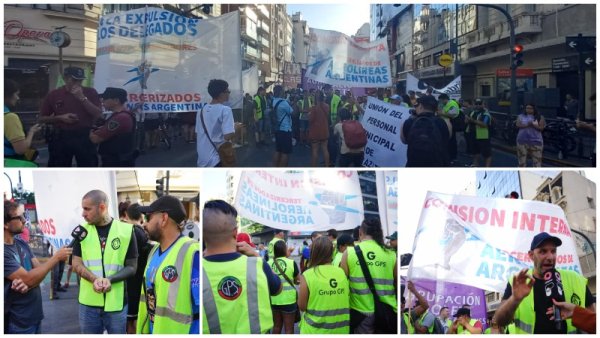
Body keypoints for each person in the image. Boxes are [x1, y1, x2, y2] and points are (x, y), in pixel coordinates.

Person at [202, 200, 282, 334]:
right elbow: (278, 289)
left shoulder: (198, 271)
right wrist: (256, 255)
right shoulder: (257, 264)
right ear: (235, 233)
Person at [493, 232, 594, 334]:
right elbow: (499, 321)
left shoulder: (575, 279)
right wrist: (514, 299)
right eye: (543, 251)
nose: (550, 257)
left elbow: (593, 322)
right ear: (531, 255)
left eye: (553, 251)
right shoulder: (519, 282)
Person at [71, 190, 138, 334]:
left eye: (87, 209)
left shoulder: (126, 231)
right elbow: (76, 264)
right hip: (88, 304)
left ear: (102, 207)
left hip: (116, 304)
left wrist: (110, 280)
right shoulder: (82, 231)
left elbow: (132, 267)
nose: (83, 213)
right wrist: (95, 279)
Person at [4, 200, 72, 334]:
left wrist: (29, 282)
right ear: (5, 224)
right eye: (20, 217)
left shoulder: (20, 242)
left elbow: (38, 273)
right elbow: (32, 277)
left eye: (25, 215)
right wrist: (56, 258)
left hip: (34, 316)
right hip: (18, 321)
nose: (25, 220)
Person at [136, 195, 199, 334]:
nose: (144, 224)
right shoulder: (153, 251)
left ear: (164, 219)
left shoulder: (192, 253)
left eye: (148, 218)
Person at [340, 218, 397, 333]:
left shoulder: (349, 253)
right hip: (387, 311)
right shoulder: (391, 254)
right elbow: (396, 283)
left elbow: (342, 284)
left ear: (360, 232)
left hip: (361, 312)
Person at [39, 66, 102, 167]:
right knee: (59, 166)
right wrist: (60, 117)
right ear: (65, 78)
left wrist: (82, 98)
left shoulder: (90, 92)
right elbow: (42, 118)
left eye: (80, 81)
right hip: (61, 136)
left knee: (88, 165)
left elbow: (98, 113)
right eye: (74, 80)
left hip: (84, 136)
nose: (77, 83)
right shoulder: (54, 94)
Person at [298, 236, 350, 334]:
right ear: (332, 251)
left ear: (313, 252)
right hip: (341, 330)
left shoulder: (308, 275)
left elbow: (302, 306)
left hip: (314, 331)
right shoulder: (341, 272)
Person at [123, 203, 153, 334]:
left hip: (130, 283)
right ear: (141, 216)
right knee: (136, 318)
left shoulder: (129, 232)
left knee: (130, 321)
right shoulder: (143, 233)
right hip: (141, 281)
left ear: (126, 215)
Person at [89, 87, 137, 167]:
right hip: (117, 159)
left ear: (116, 101)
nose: (102, 101)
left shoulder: (120, 118)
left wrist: (89, 130)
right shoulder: (121, 115)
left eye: (105, 99)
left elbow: (96, 139)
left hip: (116, 161)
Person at [401, 95, 450, 167]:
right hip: (436, 164)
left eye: (416, 106)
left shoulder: (410, 122)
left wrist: (407, 121)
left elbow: (404, 140)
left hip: (414, 164)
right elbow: (446, 139)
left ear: (420, 106)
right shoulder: (442, 122)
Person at [196, 79, 235, 167]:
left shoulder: (200, 111)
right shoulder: (225, 110)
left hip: (202, 159)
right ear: (221, 93)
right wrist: (236, 128)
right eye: (227, 91)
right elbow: (228, 135)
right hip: (217, 158)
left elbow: (199, 133)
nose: (229, 93)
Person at [4, 79, 42, 164]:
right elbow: (21, 149)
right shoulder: (9, 118)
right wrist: (31, 132)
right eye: (16, 94)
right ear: (7, 95)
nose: (18, 98)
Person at [270, 241, 299, 334]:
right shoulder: (291, 263)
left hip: (273, 300)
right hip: (289, 300)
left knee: (276, 327)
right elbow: (297, 280)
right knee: (289, 329)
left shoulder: (268, 263)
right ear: (284, 250)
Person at [465, 99, 492, 167]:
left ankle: (487, 168)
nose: (478, 105)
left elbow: (484, 124)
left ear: (483, 104)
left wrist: (472, 120)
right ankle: (475, 165)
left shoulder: (486, 113)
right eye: (476, 104)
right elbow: (466, 121)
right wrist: (467, 120)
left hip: (482, 133)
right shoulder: (472, 112)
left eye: (479, 104)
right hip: (472, 133)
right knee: (475, 152)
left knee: (486, 153)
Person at [272, 85, 294, 167]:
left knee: (278, 150)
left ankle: (275, 168)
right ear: (281, 92)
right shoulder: (284, 103)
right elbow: (292, 112)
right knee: (285, 153)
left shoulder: (273, 101)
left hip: (277, 128)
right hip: (285, 130)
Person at [308, 90, 330, 167]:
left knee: (315, 151)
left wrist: (309, 115)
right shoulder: (327, 106)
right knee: (325, 150)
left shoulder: (313, 108)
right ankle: (327, 167)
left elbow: (311, 120)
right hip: (324, 131)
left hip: (315, 132)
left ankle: (314, 168)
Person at [438, 93, 460, 163]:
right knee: (447, 140)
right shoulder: (446, 104)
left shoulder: (452, 104)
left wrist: (441, 114)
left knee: (452, 141)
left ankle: (453, 157)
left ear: (445, 99)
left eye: (441, 100)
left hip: (452, 123)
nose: (440, 102)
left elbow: (452, 115)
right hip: (446, 123)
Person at [324, 84, 342, 165]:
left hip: (333, 124)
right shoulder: (325, 98)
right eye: (325, 90)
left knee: (333, 143)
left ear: (331, 89)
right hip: (325, 124)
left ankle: (333, 160)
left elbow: (339, 113)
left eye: (327, 89)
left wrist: (334, 124)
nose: (326, 91)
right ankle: (328, 159)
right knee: (327, 143)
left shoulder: (337, 98)